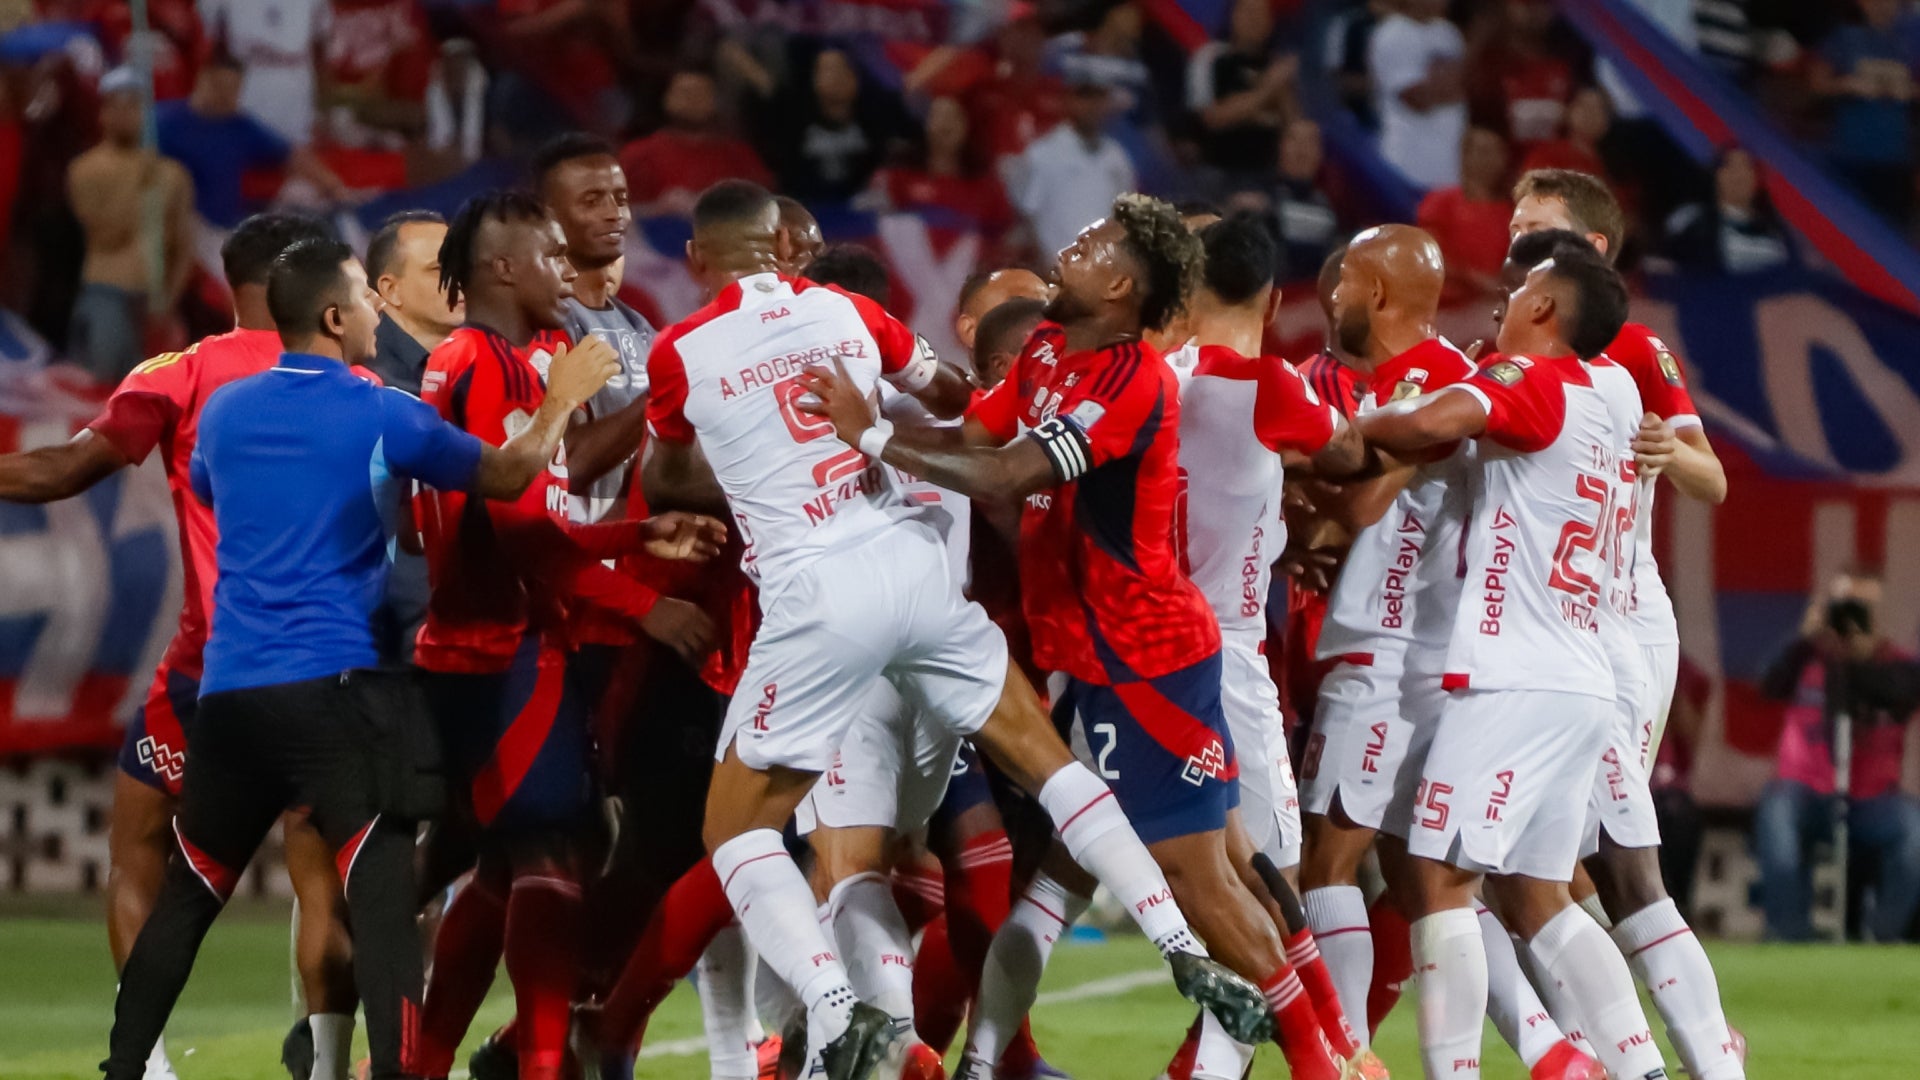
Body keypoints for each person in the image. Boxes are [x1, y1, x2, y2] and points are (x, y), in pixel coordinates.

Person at [617, 180, 1267, 1079]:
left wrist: (812, 442)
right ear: (784, 251)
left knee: (749, 839)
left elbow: (670, 473)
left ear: (697, 261)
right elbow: (956, 395)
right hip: (924, 582)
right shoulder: (855, 313)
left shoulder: (682, 349)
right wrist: (891, 418)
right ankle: (1175, 943)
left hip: (824, 603)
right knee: (1049, 770)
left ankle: (839, 1015)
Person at [801, 192, 1353, 1080]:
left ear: (1124, 285)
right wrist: (881, 436)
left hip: (1147, 661)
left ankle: (1316, 1059)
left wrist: (870, 437)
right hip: (1085, 662)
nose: (1073, 243)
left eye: (1094, 243)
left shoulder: (1129, 380)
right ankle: (993, 1062)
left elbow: (1008, 470)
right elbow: (973, 432)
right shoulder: (1051, 348)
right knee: (1067, 879)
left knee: (1201, 879)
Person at [100, 235, 620, 1080]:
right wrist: (559, 400)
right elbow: (508, 472)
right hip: (337, 690)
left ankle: (124, 1068)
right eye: (368, 302)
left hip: (230, 695)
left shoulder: (226, 411)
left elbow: (207, 494)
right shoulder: (381, 408)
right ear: (336, 316)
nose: (380, 315)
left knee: (189, 897)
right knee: (380, 905)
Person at [0, 212, 364, 1080]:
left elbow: (61, 471)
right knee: (323, 876)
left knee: (139, 850)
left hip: (210, 668)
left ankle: (151, 1066)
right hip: (328, 666)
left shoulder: (184, 372)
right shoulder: (354, 373)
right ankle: (326, 1061)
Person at [405, 191, 726, 1080]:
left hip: (489, 646)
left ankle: (430, 1060)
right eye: (551, 257)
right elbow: (515, 522)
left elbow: (531, 509)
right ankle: (545, 1064)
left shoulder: (497, 357)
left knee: (513, 864)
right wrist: (639, 593)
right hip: (499, 650)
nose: (566, 276)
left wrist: (635, 536)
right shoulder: (485, 363)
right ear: (504, 268)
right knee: (555, 855)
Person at [1353, 237, 1670, 1080]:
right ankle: (1636, 1068)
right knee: (1537, 896)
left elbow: (1422, 423)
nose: (1503, 299)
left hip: (1514, 676)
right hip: (1582, 679)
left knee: (1435, 874)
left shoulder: (1530, 381)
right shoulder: (1608, 400)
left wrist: (1358, 418)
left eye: (1519, 288)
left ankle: (1453, 1071)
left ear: (1544, 311)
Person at [1508, 168, 1744, 1080]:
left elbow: (1712, 479)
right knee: (1554, 869)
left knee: (1590, 862)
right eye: (1514, 229)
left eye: (1535, 230)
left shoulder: (1635, 350)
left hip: (1616, 629)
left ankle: (1662, 1055)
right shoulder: (1524, 343)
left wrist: (1666, 448)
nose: (1512, 245)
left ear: (1592, 250)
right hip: (1550, 631)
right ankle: (1632, 1051)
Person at [1155, 212, 1378, 1080]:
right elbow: (1353, 448)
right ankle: (1260, 1062)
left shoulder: (1154, 377)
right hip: (1228, 656)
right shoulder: (1269, 384)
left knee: (1178, 880)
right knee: (1276, 887)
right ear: (1274, 298)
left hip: (1136, 655)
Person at [1755, 569, 1920, 942]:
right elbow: (1766, 685)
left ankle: (1881, 939)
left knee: (1915, 832)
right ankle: (1790, 938)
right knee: (1777, 817)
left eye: (1863, 608)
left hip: (1872, 798)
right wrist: (1805, 638)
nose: (1852, 617)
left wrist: (1859, 654)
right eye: (1845, 606)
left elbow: (1898, 694)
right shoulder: (1806, 658)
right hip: (1804, 788)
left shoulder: (1897, 663)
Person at [363, 209, 463, 668]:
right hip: (390, 639)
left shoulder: (469, 365)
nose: (458, 280)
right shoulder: (369, 382)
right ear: (389, 290)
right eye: (439, 270)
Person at [67, 66, 195, 383]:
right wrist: (140, 184)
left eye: (134, 106)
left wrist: (168, 301)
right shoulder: (85, 169)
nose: (126, 115)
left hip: (156, 302)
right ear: (103, 113)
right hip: (107, 294)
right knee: (102, 387)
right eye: (117, 106)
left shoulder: (173, 174)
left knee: (157, 392)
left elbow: (183, 243)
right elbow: (107, 234)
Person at [156, 51, 346, 234]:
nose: (225, 96)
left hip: (221, 230)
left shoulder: (241, 127)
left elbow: (290, 154)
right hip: (174, 227)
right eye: (219, 86)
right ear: (201, 79)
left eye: (233, 89)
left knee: (303, 198)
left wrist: (333, 186)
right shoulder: (162, 121)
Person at [1810, 0, 1916, 226]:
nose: (1883, 5)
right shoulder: (1844, 37)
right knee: (1845, 232)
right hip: (1851, 156)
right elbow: (1817, 83)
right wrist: (1847, 84)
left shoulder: (1911, 41)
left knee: (1891, 237)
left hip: (1895, 161)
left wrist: (1911, 91)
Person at [1008, 75, 1137, 259]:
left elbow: (1125, 218)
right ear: (1068, 101)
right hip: (1056, 266)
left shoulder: (1117, 156)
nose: (1092, 107)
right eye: (1084, 98)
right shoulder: (1043, 153)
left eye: (1098, 99)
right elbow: (1027, 215)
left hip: (1102, 270)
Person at [619, 68, 773, 219]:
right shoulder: (637, 155)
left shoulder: (740, 155)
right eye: (685, 93)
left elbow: (766, 209)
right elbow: (615, 211)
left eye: (702, 94)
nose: (693, 100)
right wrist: (656, 209)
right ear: (666, 98)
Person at [871, 96, 1016, 244]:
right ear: (925, 124)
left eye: (954, 117)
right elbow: (877, 226)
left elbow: (1005, 236)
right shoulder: (898, 176)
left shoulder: (987, 184)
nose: (946, 124)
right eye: (938, 116)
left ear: (966, 126)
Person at [1186, 0, 1297, 187]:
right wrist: (1267, 89)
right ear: (1233, 16)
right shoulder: (1213, 59)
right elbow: (1213, 118)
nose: (1255, 19)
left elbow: (1293, 127)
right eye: (1249, 12)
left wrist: (1284, 91)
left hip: (1269, 177)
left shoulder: (1276, 66)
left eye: (1262, 14)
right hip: (1220, 174)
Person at [1368, 0, 1467, 191]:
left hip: (1449, 165)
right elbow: (1417, 99)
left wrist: (1443, 82)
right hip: (1407, 162)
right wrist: (1450, 83)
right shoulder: (1392, 33)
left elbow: (1466, 88)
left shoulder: (1449, 33)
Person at [1416, 126, 1514, 306]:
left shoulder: (1510, 211)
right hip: (1443, 305)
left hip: (1490, 305)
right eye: (1483, 151)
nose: (1490, 159)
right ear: (1465, 156)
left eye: (1497, 152)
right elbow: (1429, 253)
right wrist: (1476, 279)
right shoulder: (1440, 201)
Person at [1662, 146, 1794, 275]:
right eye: (1730, 168)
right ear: (1716, 175)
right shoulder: (1690, 219)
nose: (1739, 175)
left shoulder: (1777, 230)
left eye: (1746, 168)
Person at [1269, 119, 1342, 283]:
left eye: (1310, 142)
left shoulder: (1334, 207)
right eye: (1294, 140)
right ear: (1280, 146)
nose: (1301, 150)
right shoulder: (1257, 200)